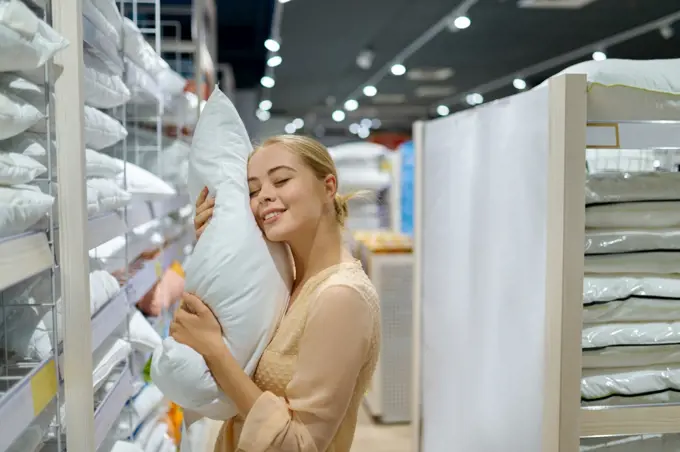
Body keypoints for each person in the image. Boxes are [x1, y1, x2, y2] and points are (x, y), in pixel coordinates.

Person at [169, 135, 381, 452]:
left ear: (328, 187)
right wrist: (219, 245)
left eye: (281, 180)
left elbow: (300, 444)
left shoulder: (341, 296)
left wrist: (214, 350)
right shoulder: (287, 278)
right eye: (253, 191)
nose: (264, 196)